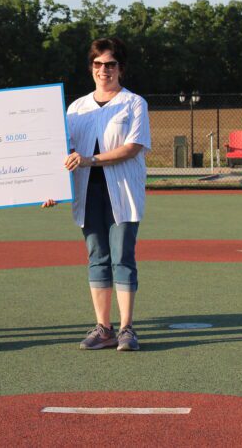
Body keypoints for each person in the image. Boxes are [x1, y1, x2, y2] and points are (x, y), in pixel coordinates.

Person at [44, 37, 151, 351]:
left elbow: (132, 148)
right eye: (98, 64)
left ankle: (127, 328)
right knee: (97, 259)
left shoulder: (134, 103)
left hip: (122, 192)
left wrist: (91, 160)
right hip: (87, 192)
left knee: (123, 259)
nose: (104, 70)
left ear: (120, 68)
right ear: (91, 67)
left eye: (111, 64)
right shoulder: (76, 108)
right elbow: (61, 152)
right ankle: (104, 328)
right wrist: (49, 187)